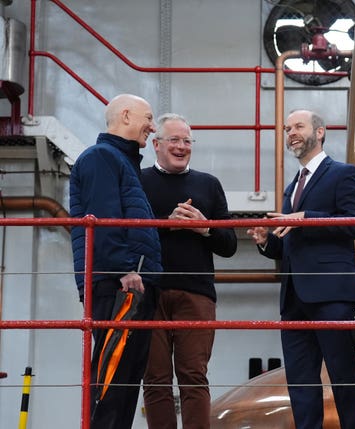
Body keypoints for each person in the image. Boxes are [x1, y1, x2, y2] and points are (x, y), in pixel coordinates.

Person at [247, 109, 355, 429]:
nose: (291, 133)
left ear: (321, 132)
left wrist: (305, 217)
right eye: (287, 129)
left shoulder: (345, 174)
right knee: (300, 383)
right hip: (294, 298)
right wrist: (265, 242)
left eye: (298, 126)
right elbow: (287, 245)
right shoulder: (291, 189)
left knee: (343, 377)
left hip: (331, 295)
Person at [70, 93, 163, 429]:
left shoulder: (119, 161)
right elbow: (103, 218)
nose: (152, 128)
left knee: (123, 383)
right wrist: (124, 269)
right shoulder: (101, 158)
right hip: (119, 285)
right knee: (113, 382)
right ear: (126, 115)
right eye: (148, 118)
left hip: (129, 284)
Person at [141, 113, 237, 429]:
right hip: (149, 292)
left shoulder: (208, 184)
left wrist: (204, 228)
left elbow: (229, 244)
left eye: (187, 141)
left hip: (196, 294)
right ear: (156, 144)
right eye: (174, 140)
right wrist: (167, 224)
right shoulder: (138, 182)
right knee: (154, 378)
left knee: (194, 377)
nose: (182, 147)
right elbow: (129, 238)